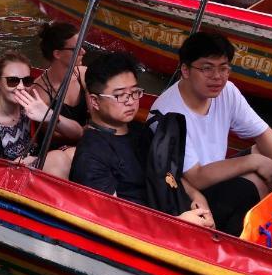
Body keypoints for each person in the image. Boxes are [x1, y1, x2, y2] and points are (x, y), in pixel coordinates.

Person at [148, 32, 272, 235]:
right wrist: (253, 162)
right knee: (255, 179)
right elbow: (196, 177)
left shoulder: (227, 91)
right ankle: (240, 237)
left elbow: (263, 132)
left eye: (223, 68)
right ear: (185, 70)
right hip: (192, 193)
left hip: (218, 174)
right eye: (207, 68)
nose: (217, 77)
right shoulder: (168, 113)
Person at [70, 51, 213, 226]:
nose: (130, 101)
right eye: (120, 95)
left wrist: (197, 197)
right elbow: (111, 222)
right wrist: (177, 224)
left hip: (172, 210)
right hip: (150, 234)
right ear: (94, 101)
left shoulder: (140, 131)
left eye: (135, 92)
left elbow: (167, 171)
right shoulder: (91, 155)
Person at [0, 50, 71, 178]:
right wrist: (13, 166)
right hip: (5, 179)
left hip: (30, 162)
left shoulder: (28, 105)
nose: (21, 87)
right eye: (12, 81)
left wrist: (51, 116)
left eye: (26, 81)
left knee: (73, 153)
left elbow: (77, 133)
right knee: (58, 158)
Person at [33, 21, 88, 146]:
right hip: (57, 151)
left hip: (86, 143)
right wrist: (83, 134)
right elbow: (52, 137)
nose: (83, 52)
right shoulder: (39, 92)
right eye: (77, 48)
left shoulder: (84, 74)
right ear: (57, 54)